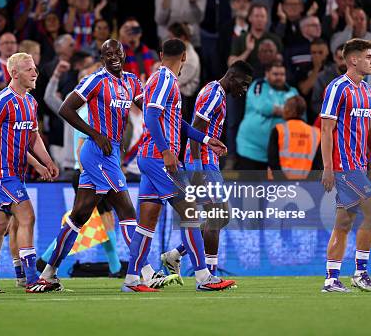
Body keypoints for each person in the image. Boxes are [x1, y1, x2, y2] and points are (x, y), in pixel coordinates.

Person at [31, 39, 178, 292]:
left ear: (123, 55)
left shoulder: (132, 81)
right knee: (128, 212)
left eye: (117, 52)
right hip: (97, 151)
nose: (113, 57)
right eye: (107, 53)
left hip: (111, 153)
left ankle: (48, 272)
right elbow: (66, 109)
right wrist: (95, 134)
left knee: (78, 216)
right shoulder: (95, 80)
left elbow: (149, 108)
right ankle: (143, 273)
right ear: (102, 58)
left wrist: (170, 111)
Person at [123, 39, 228, 292]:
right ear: (184, 58)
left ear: (161, 54)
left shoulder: (158, 80)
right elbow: (150, 115)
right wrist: (167, 151)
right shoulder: (165, 80)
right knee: (190, 214)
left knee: (146, 222)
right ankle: (204, 277)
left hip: (151, 159)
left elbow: (176, 123)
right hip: (160, 160)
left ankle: (131, 280)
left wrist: (206, 139)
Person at [0, 52, 58, 293]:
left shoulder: (30, 101)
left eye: (35, 69)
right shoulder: (2, 101)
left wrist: (45, 162)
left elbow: (31, 137)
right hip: (1, 172)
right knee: (27, 216)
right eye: (29, 69)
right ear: (14, 73)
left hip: (16, 173)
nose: (35, 73)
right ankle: (31, 279)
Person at [161, 60, 253, 283]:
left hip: (207, 161)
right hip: (201, 162)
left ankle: (175, 255)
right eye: (243, 83)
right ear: (231, 77)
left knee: (222, 217)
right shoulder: (213, 94)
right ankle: (209, 275)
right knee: (216, 218)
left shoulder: (216, 92)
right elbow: (196, 129)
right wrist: (197, 169)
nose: (244, 89)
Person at [320, 38, 371, 292]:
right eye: (368, 56)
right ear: (353, 60)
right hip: (343, 167)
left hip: (358, 166)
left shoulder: (366, 90)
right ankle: (360, 272)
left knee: (344, 223)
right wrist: (328, 167)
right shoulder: (337, 88)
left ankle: (331, 279)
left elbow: (369, 128)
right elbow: (326, 130)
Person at [236, 61, 298, 170]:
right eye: (275, 74)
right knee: (250, 186)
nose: (279, 77)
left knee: (275, 187)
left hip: (278, 153)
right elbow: (264, 107)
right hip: (251, 149)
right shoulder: (258, 85)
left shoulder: (293, 92)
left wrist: (277, 109)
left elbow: (298, 115)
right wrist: (287, 111)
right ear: (267, 74)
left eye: (282, 75)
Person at [267, 95, 322, 180]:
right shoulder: (315, 133)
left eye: (285, 106)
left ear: (289, 110)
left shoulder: (278, 130)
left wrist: (281, 180)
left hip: (282, 184)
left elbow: (273, 160)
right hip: (306, 185)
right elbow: (318, 164)